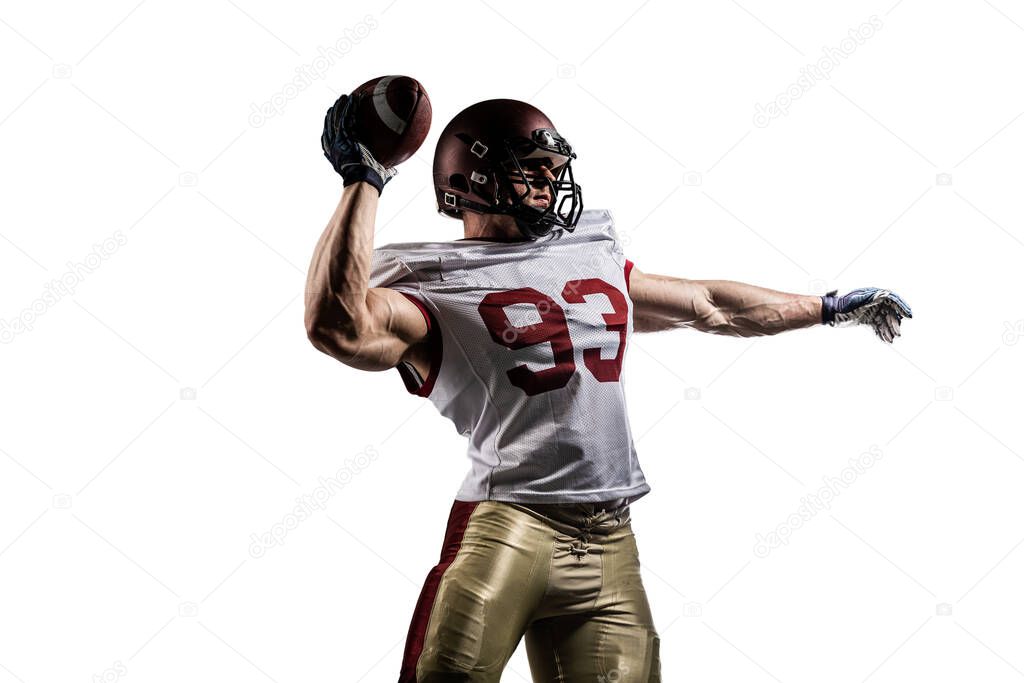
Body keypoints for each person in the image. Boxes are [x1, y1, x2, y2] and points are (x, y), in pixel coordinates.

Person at [306, 95, 913, 682]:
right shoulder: (430, 281)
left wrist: (828, 307)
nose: (551, 182)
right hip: (509, 526)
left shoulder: (590, 255)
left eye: (554, 167)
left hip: (612, 536)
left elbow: (711, 305)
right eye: (531, 169)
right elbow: (338, 325)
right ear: (475, 181)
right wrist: (365, 180)